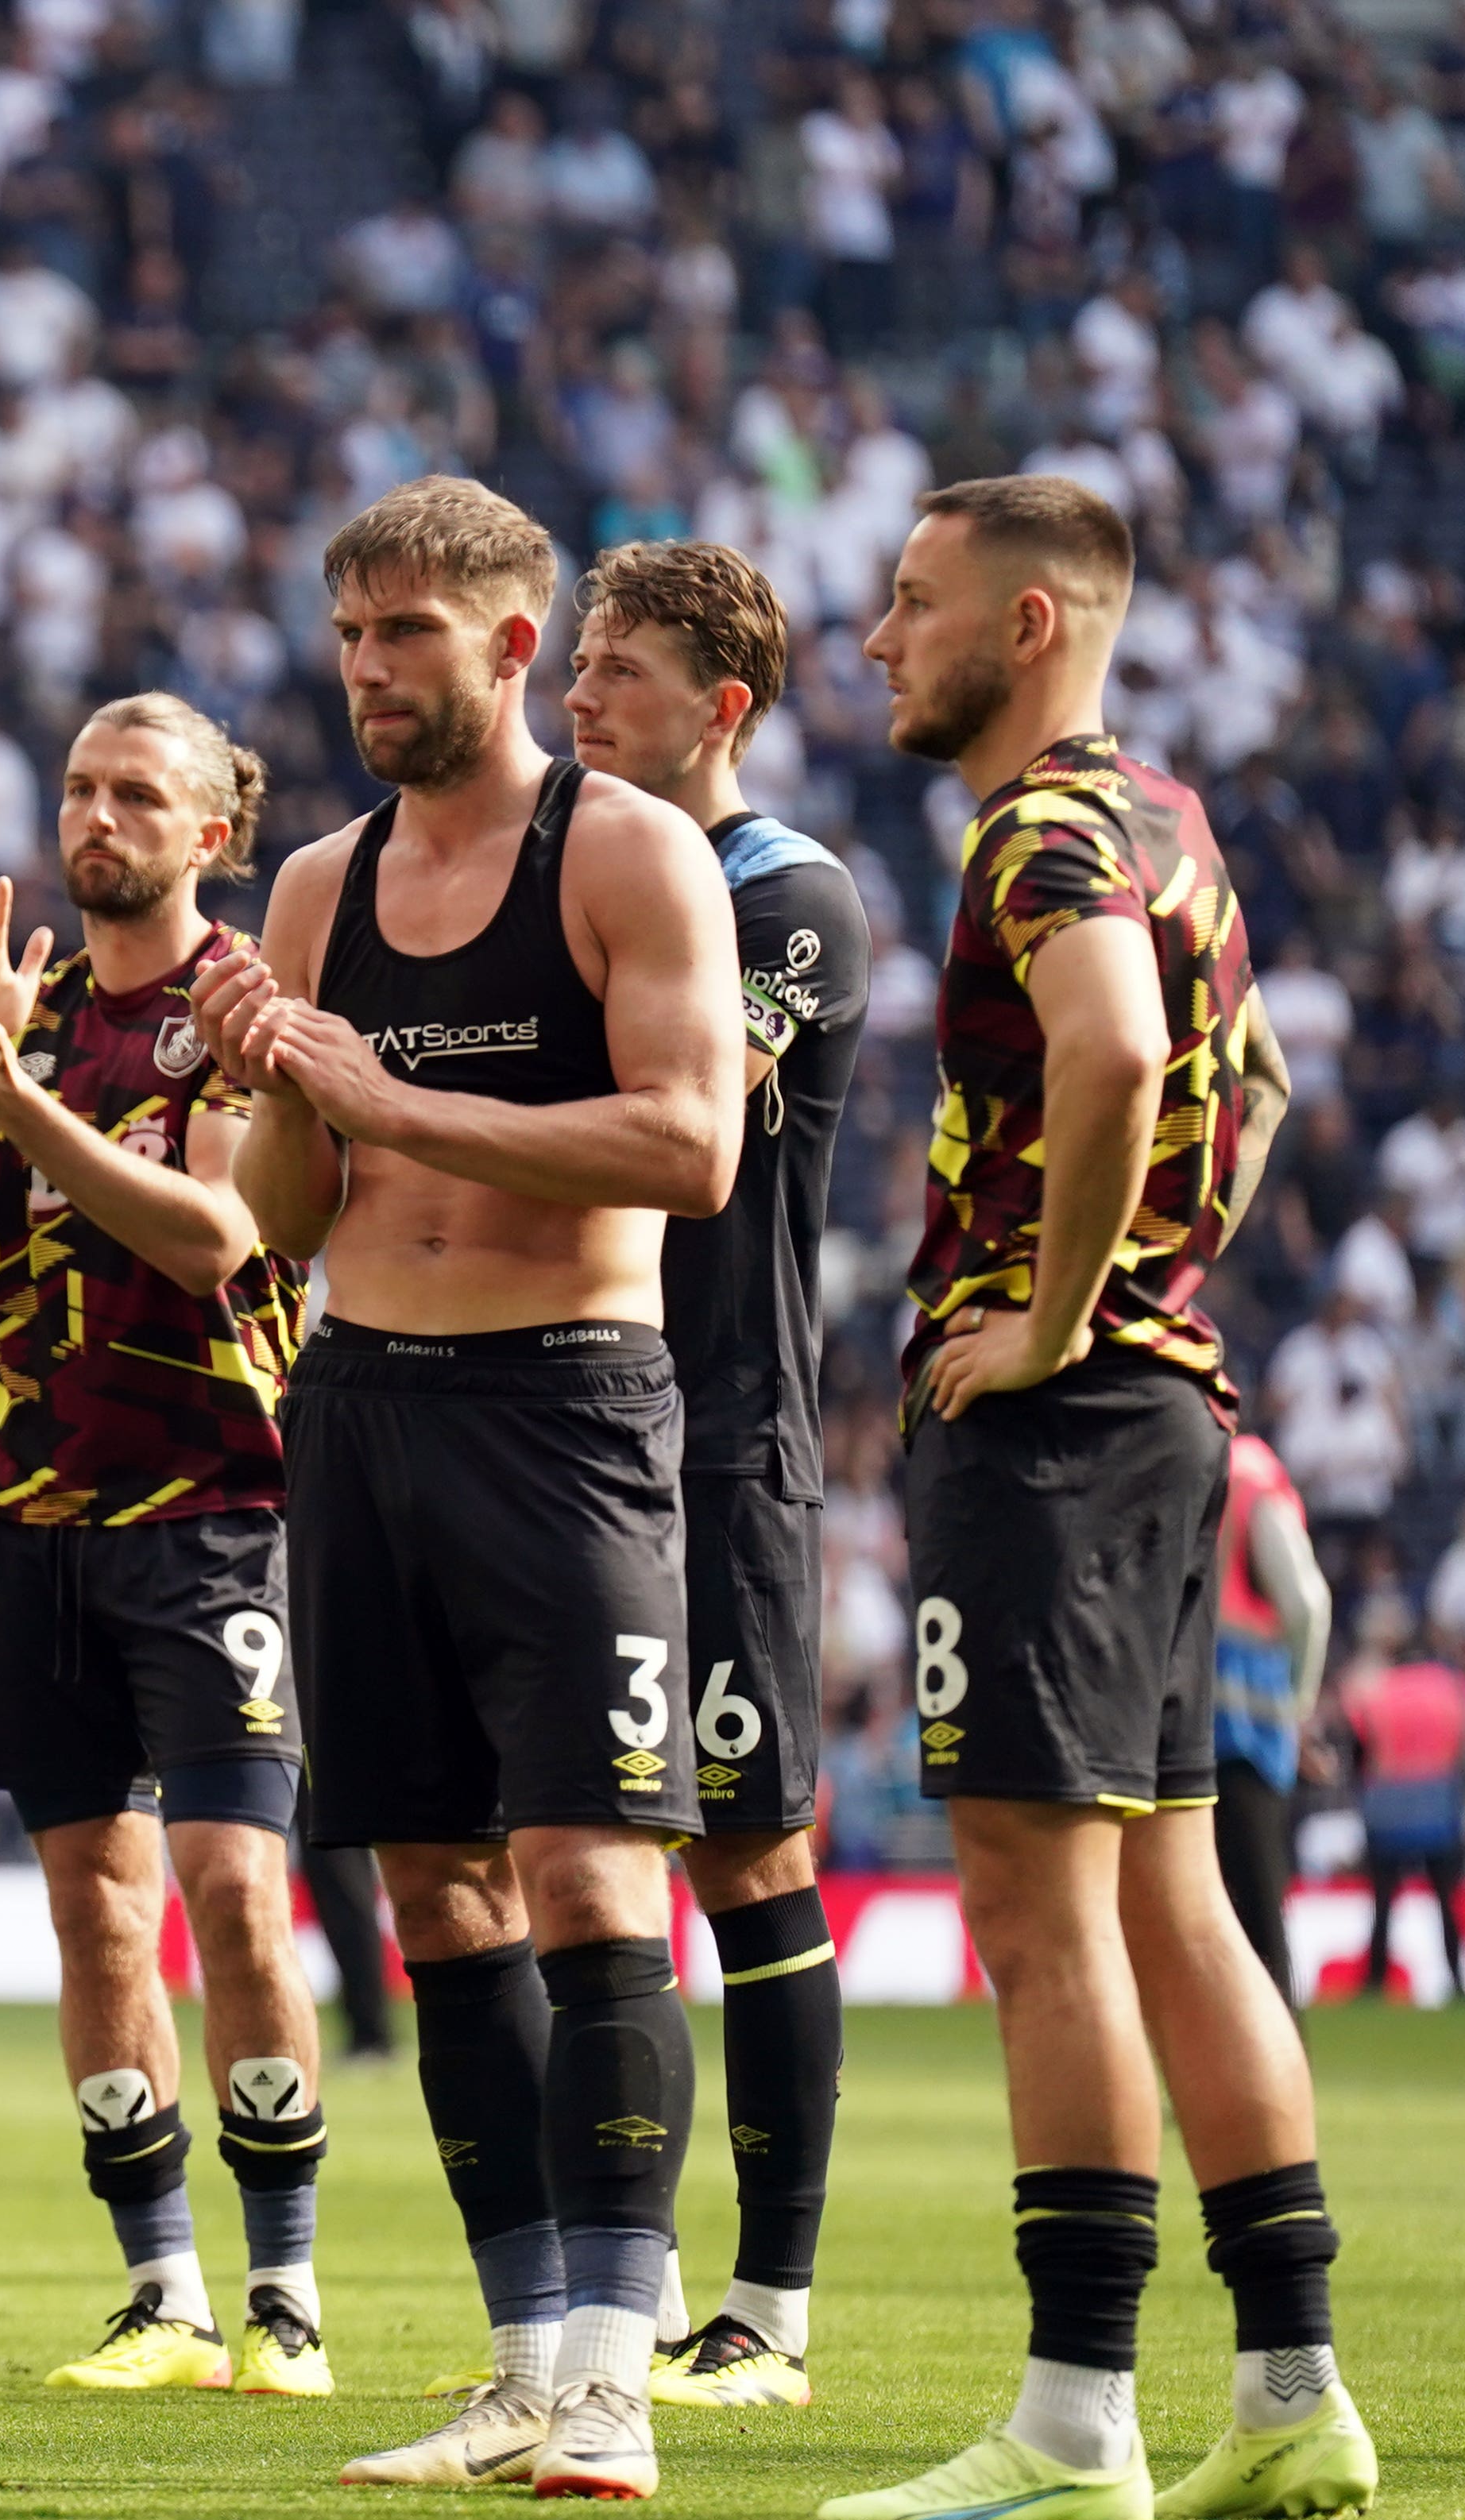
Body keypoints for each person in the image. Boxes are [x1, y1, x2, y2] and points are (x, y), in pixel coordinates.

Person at [821, 474, 1373, 2520]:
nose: (875, 641)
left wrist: (1055, 1318)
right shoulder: (1171, 822)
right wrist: (1156, 1287)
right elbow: (1261, 1091)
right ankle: (1289, 2385)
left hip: (1056, 1431)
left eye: (908, 603)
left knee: (1036, 1927)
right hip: (1167, 1417)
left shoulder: (1038, 828)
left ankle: (1073, 2422)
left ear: (1029, 623)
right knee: (1175, 1900)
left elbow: (1120, 1057)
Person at [191, 477, 744, 2503]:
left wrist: (375, 1088)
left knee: (594, 1874)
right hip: (355, 1405)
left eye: (404, 635)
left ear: (513, 648)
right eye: (347, 636)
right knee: (427, 1890)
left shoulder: (624, 852)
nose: (365, 673)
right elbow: (274, 1209)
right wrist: (257, 1075)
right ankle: (519, 2361)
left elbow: (688, 1149)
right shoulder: (316, 884)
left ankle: (613, 2365)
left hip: (562, 1403)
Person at [0, 694, 336, 2400]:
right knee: (95, 1916)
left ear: (215, 832)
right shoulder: (28, 1013)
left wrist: (24, 1108)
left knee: (234, 1896)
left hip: (214, 1511)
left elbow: (219, 1236)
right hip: (36, 1516)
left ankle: (288, 2301)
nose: (96, 815)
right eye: (77, 786)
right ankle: (163, 2296)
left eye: (138, 793)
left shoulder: (235, 1013)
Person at [559, 539, 872, 2411]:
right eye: (577, 664)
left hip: (721, 1430)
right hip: (563, 1421)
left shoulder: (782, 897)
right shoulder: (580, 880)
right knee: (572, 1848)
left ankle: (767, 2310)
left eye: (618, 672)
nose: (580, 697)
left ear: (718, 708)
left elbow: (649, 1119)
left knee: (749, 1851)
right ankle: (626, 2275)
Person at [1211, 1433, 1331, 2000]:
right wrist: (1297, 1705)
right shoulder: (1251, 1475)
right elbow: (1306, 1604)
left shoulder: (1162, 1462)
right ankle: (1276, 2079)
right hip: (1246, 1736)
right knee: (1257, 1924)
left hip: (1169, 1732)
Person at [1336, 1602, 1465, 2005]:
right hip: (1439, 1803)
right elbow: (1462, 1747)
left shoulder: (1376, 1688)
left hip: (1388, 1805)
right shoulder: (1451, 1686)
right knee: (1446, 1902)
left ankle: (1375, 1982)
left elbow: (1360, 1748)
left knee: (1383, 1902)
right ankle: (1458, 1982)